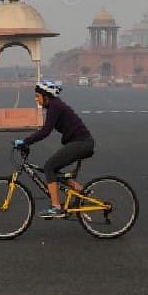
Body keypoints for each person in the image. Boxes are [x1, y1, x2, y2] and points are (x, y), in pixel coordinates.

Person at [13, 79, 95, 219]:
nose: (36, 99)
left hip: (81, 143)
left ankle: (56, 207)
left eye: (38, 96)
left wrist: (25, 142)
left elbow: (45, 131)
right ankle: (83, 191)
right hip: (81, 142)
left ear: (46, 97)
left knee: (49, 167)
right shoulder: (55, 106)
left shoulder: (55, 106)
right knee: (53, 170)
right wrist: (26, 142)